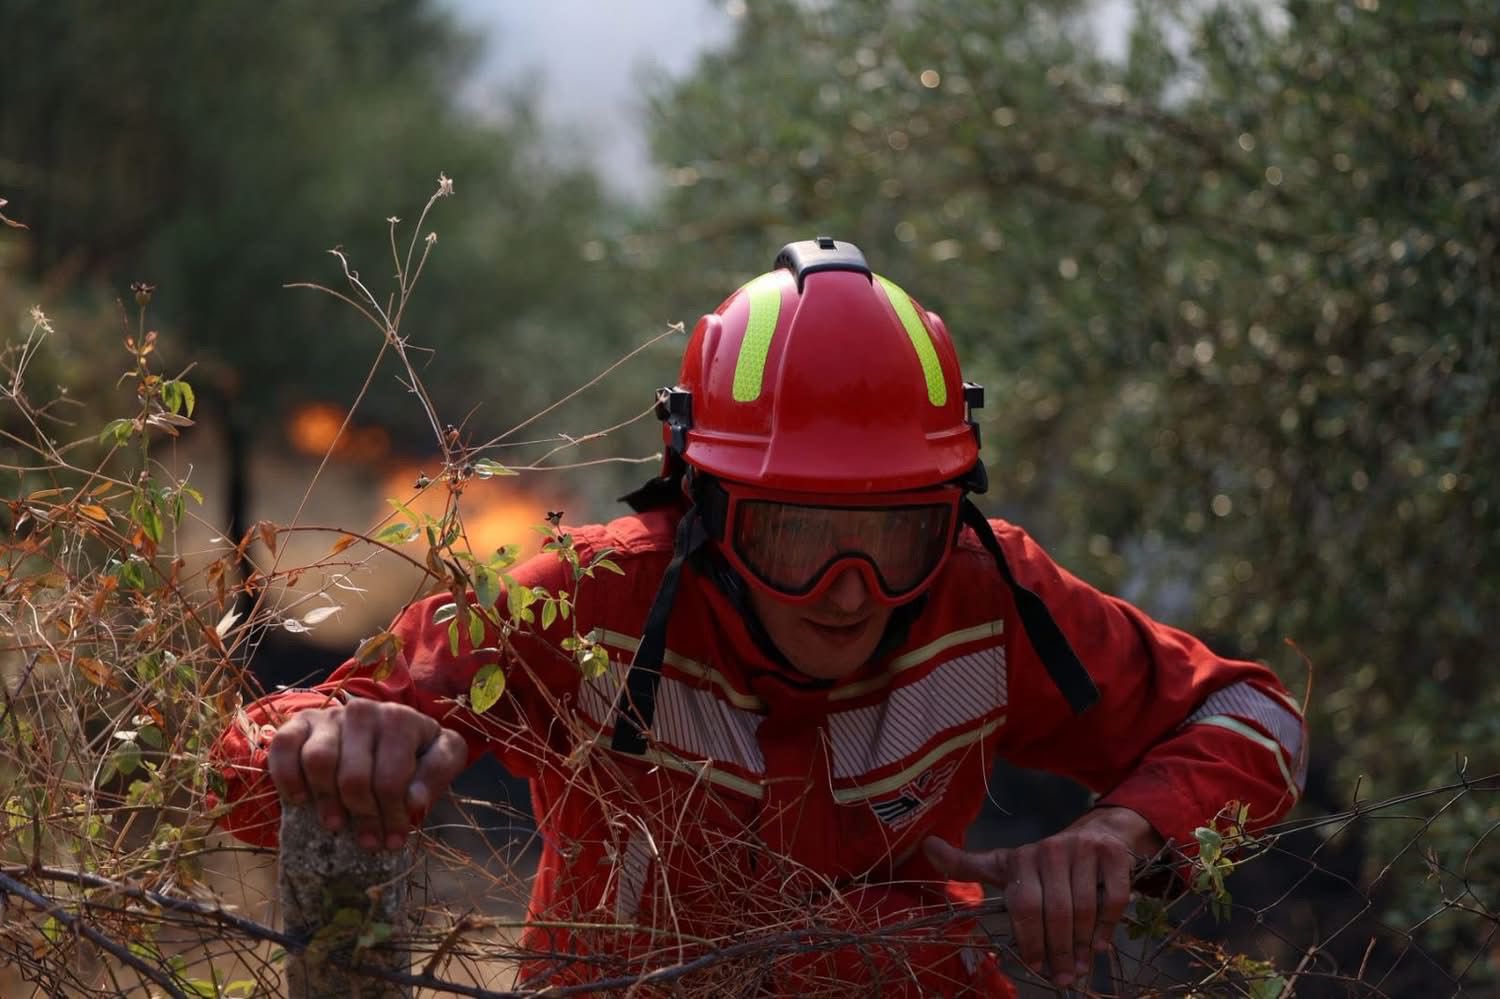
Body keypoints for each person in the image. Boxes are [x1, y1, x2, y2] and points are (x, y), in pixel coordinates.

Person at [212, 238, 1307, 996]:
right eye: (798, 534)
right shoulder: (581, 603)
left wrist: (1124, 832)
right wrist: (325, 746)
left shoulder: (990, 593)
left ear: (952, 511)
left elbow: (1257, 720)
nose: (850, 590)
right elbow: (244, 780)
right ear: (704, 508)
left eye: (897, 534)